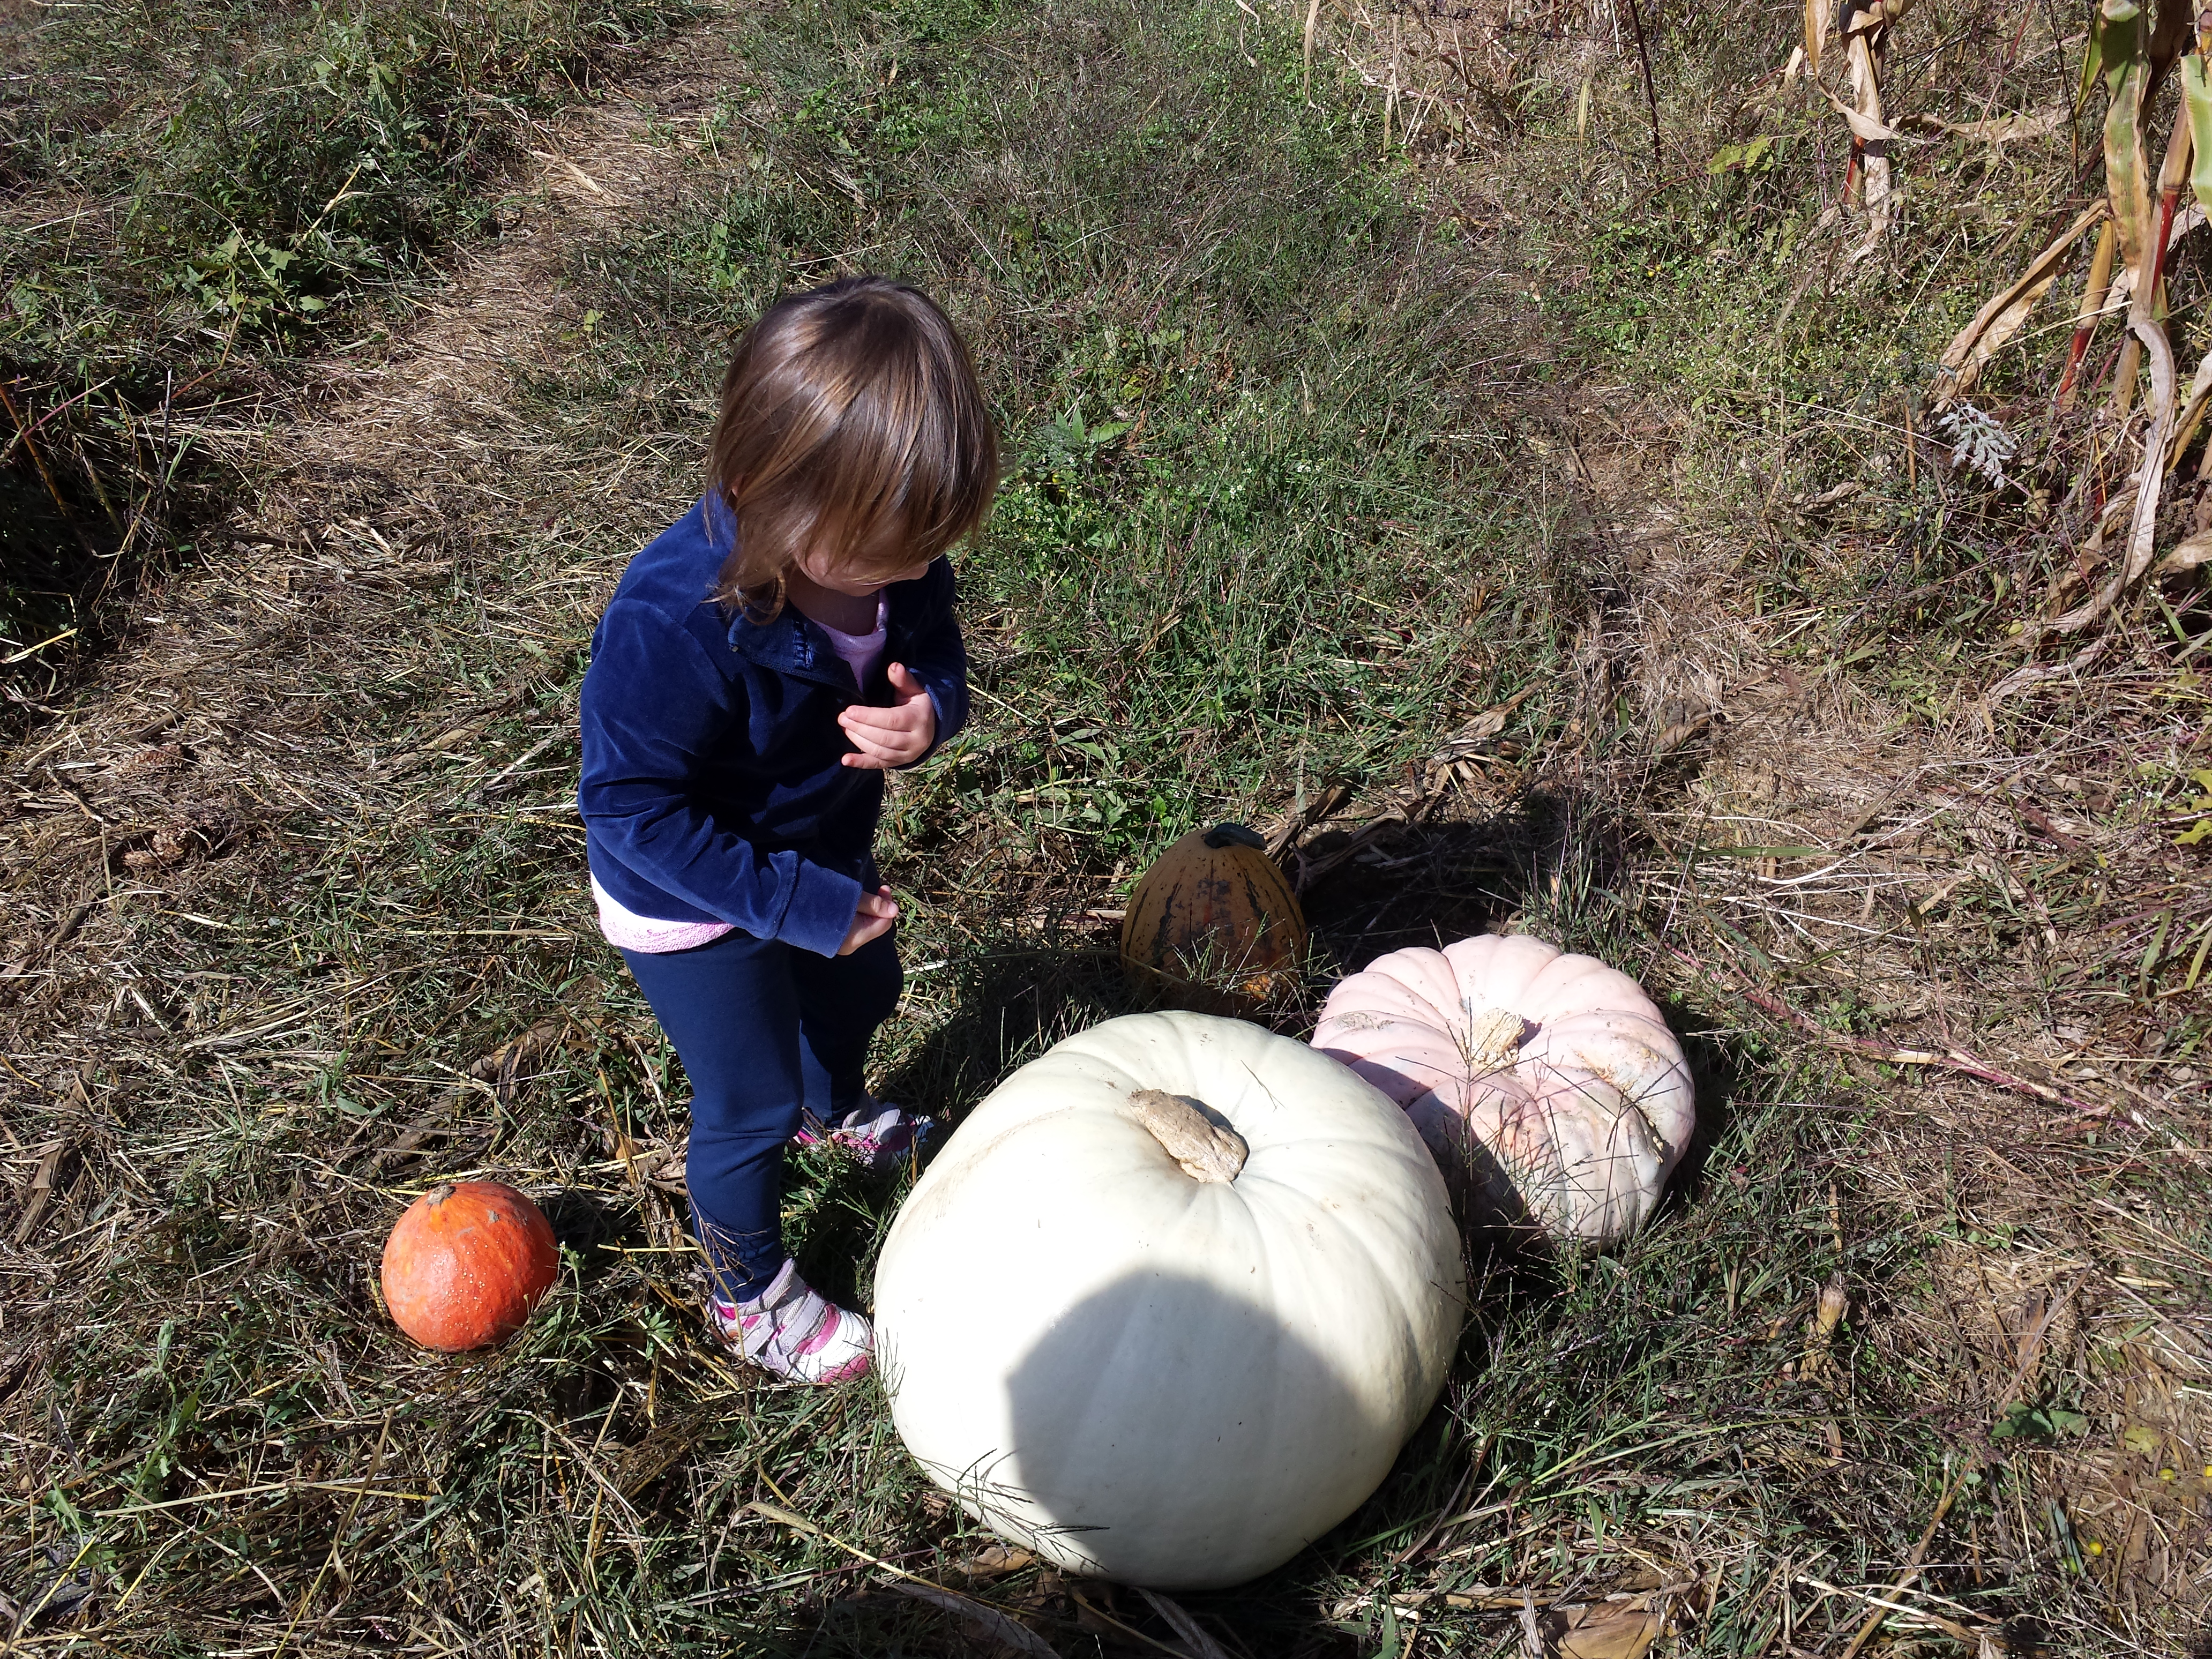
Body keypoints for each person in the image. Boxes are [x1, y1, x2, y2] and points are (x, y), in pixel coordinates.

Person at [577, 274, 996, 1384]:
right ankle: (748, 1296)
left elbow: (939, 649)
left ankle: (836, 1109)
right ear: (779, 498)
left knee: (862, 990)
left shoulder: (892, 562)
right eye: (894, 551)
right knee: (745, 1100)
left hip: (819, 845)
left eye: (930, 547)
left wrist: (929, 712)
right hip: (690, 899)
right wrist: (792, 905)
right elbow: (628, 809)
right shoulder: (678, 619)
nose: (917, 572)